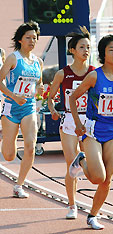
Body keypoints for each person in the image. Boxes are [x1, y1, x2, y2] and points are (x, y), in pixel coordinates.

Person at [69, 34, 113, 229]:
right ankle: (81, 160)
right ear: (103, 53)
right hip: (92, 131)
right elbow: (73, 98)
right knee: (97, 177)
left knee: (106, 180)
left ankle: (92, 215)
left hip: (112, 131)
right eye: (111, 50)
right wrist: (77, 123)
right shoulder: (94, 76)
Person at [48, 26, 95, 219]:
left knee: (92, 166)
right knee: (72, 165)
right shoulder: (62, 74)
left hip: (89, 121)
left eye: (88, 47)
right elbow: (50, 97)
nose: (86, 51)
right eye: (82, 47)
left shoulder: (95, 73)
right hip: (68, 121)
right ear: (72, 50)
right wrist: (52, 110)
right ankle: (72, 205)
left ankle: (92, 206)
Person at [0, 21, 44, 198]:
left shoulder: (38, 62)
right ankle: (9, 142)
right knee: (9, 155)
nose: (32, 41)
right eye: (28, 38)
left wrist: (40, 90)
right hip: (11, 108)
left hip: (28, 107)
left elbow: (39, 84)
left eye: (34, 38)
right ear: (20, 40)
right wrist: (13, 96)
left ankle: (19, 185)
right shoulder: (12, 58)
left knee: (30, 146)